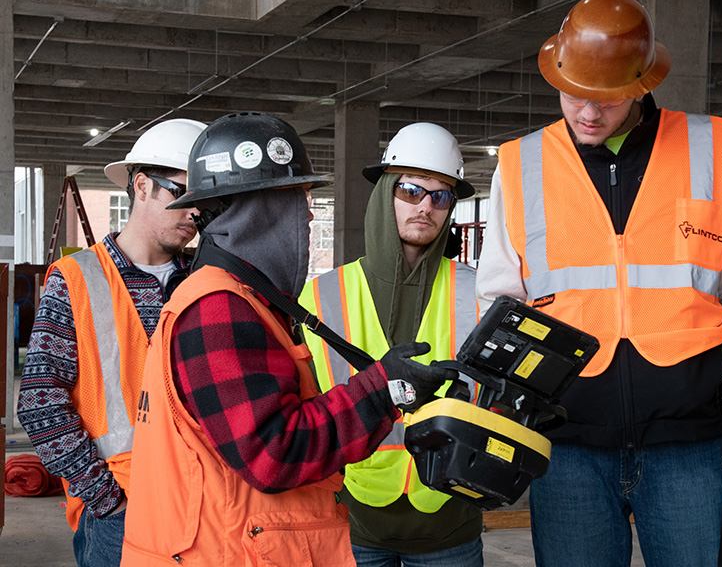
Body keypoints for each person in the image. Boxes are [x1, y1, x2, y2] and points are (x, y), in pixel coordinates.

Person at [476, 0, 722, 567]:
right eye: (574, 95)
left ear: (641, 85)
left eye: (608, 100)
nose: (588, 114)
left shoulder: (708, 150)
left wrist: (718, 360)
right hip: (566, 448)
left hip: (686, 445)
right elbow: (499, 301)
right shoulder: (522, 166)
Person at [119, 112, 458, 567]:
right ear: (258, 209)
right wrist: (384, 390)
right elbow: (272, 453)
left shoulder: (247, 298)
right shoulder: (217, 306)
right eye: (297, 197)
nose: (307, 214)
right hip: (221, 554)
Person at [17, 118, 206, 566]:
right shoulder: (78, 279)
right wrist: (107, 500)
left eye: (205, 201)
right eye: (184, 193)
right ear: (142, 186)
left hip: (204, 504)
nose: (195, 214)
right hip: (121, 512)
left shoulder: (204, 280)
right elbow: (41, 402)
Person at [299, 122, 484, 565]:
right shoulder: (321, 296)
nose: (426, 207)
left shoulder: (479, 294)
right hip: (353, 517)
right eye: (412, 191)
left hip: (449, 520)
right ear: (385, 193)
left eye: (441, 196)